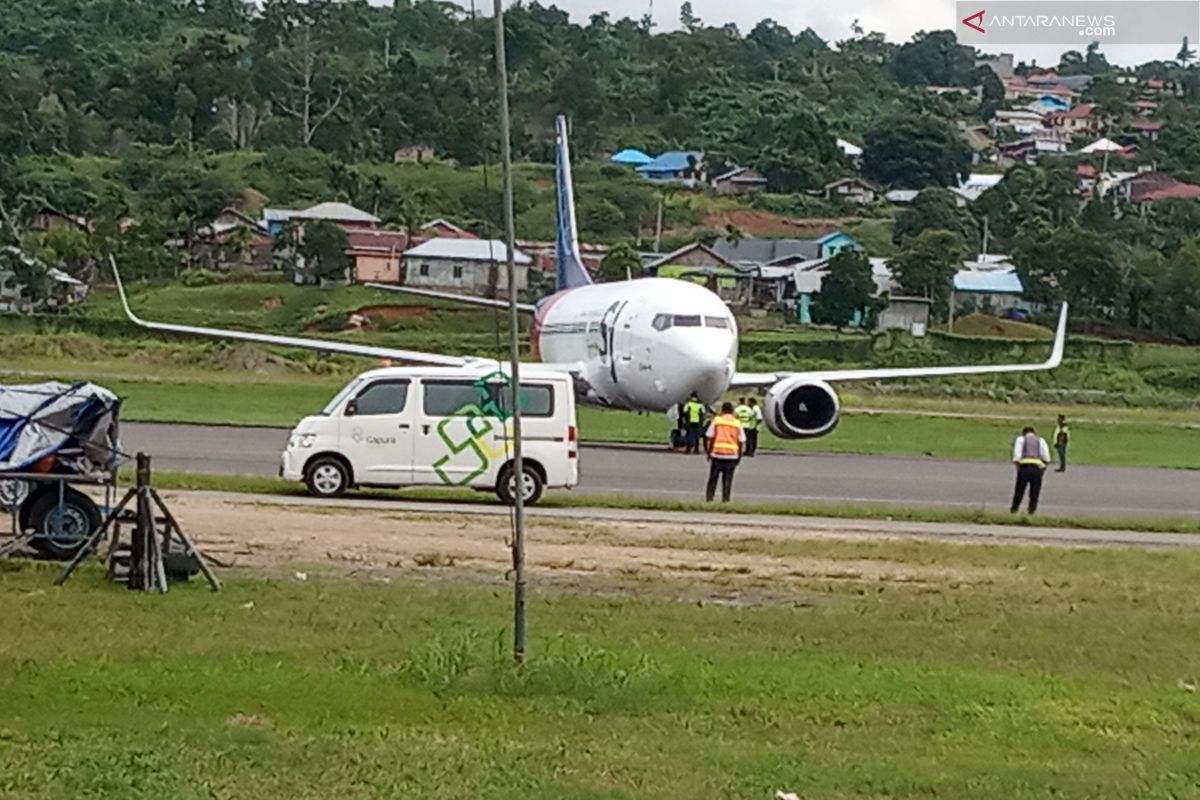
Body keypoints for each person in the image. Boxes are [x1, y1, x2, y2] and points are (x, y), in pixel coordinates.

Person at [705, 401, 745, 502]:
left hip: (717, 453)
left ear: (722, 410)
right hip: (731, 455)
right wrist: (739, 456)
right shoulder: (737, 423)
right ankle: (726, 500)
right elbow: (741, 441)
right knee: (727, 480)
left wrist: (709, 452)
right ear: (732, 411)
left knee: (713, 478)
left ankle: (709, 499)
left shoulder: (717, 421)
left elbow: (710, 437)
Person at [1010, 426, 1051, 514]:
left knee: (1019, 491)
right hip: (1037, 468)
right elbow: (1046, 458)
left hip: (1024, 467)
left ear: (1024, 433)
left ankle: (1014, 510)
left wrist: (1018, 467)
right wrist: (1043, 468)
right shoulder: (1041, 440)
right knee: (1034, 493)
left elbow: (1017, 456)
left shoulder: (1021, 439)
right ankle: (1031, 512)